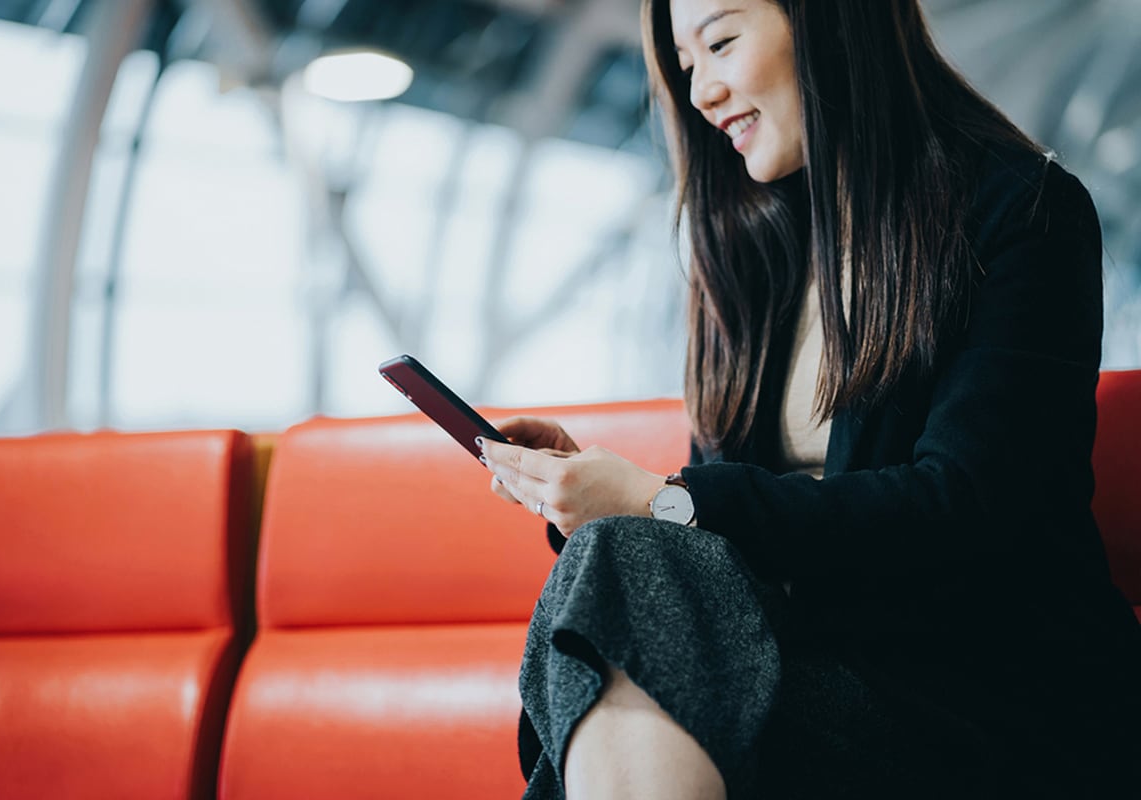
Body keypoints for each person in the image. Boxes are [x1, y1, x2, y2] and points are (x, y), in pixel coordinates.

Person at [478, 0, 1141, 796]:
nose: (701, 95)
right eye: (688, 68)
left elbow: (968, 504)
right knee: (622, 572)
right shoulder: (756, 256)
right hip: (808, 674)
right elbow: (720, 545)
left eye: (721, 43)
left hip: (981, 701)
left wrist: (667, 506)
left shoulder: (1024, 209)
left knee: (628, 588)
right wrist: (608, 497)